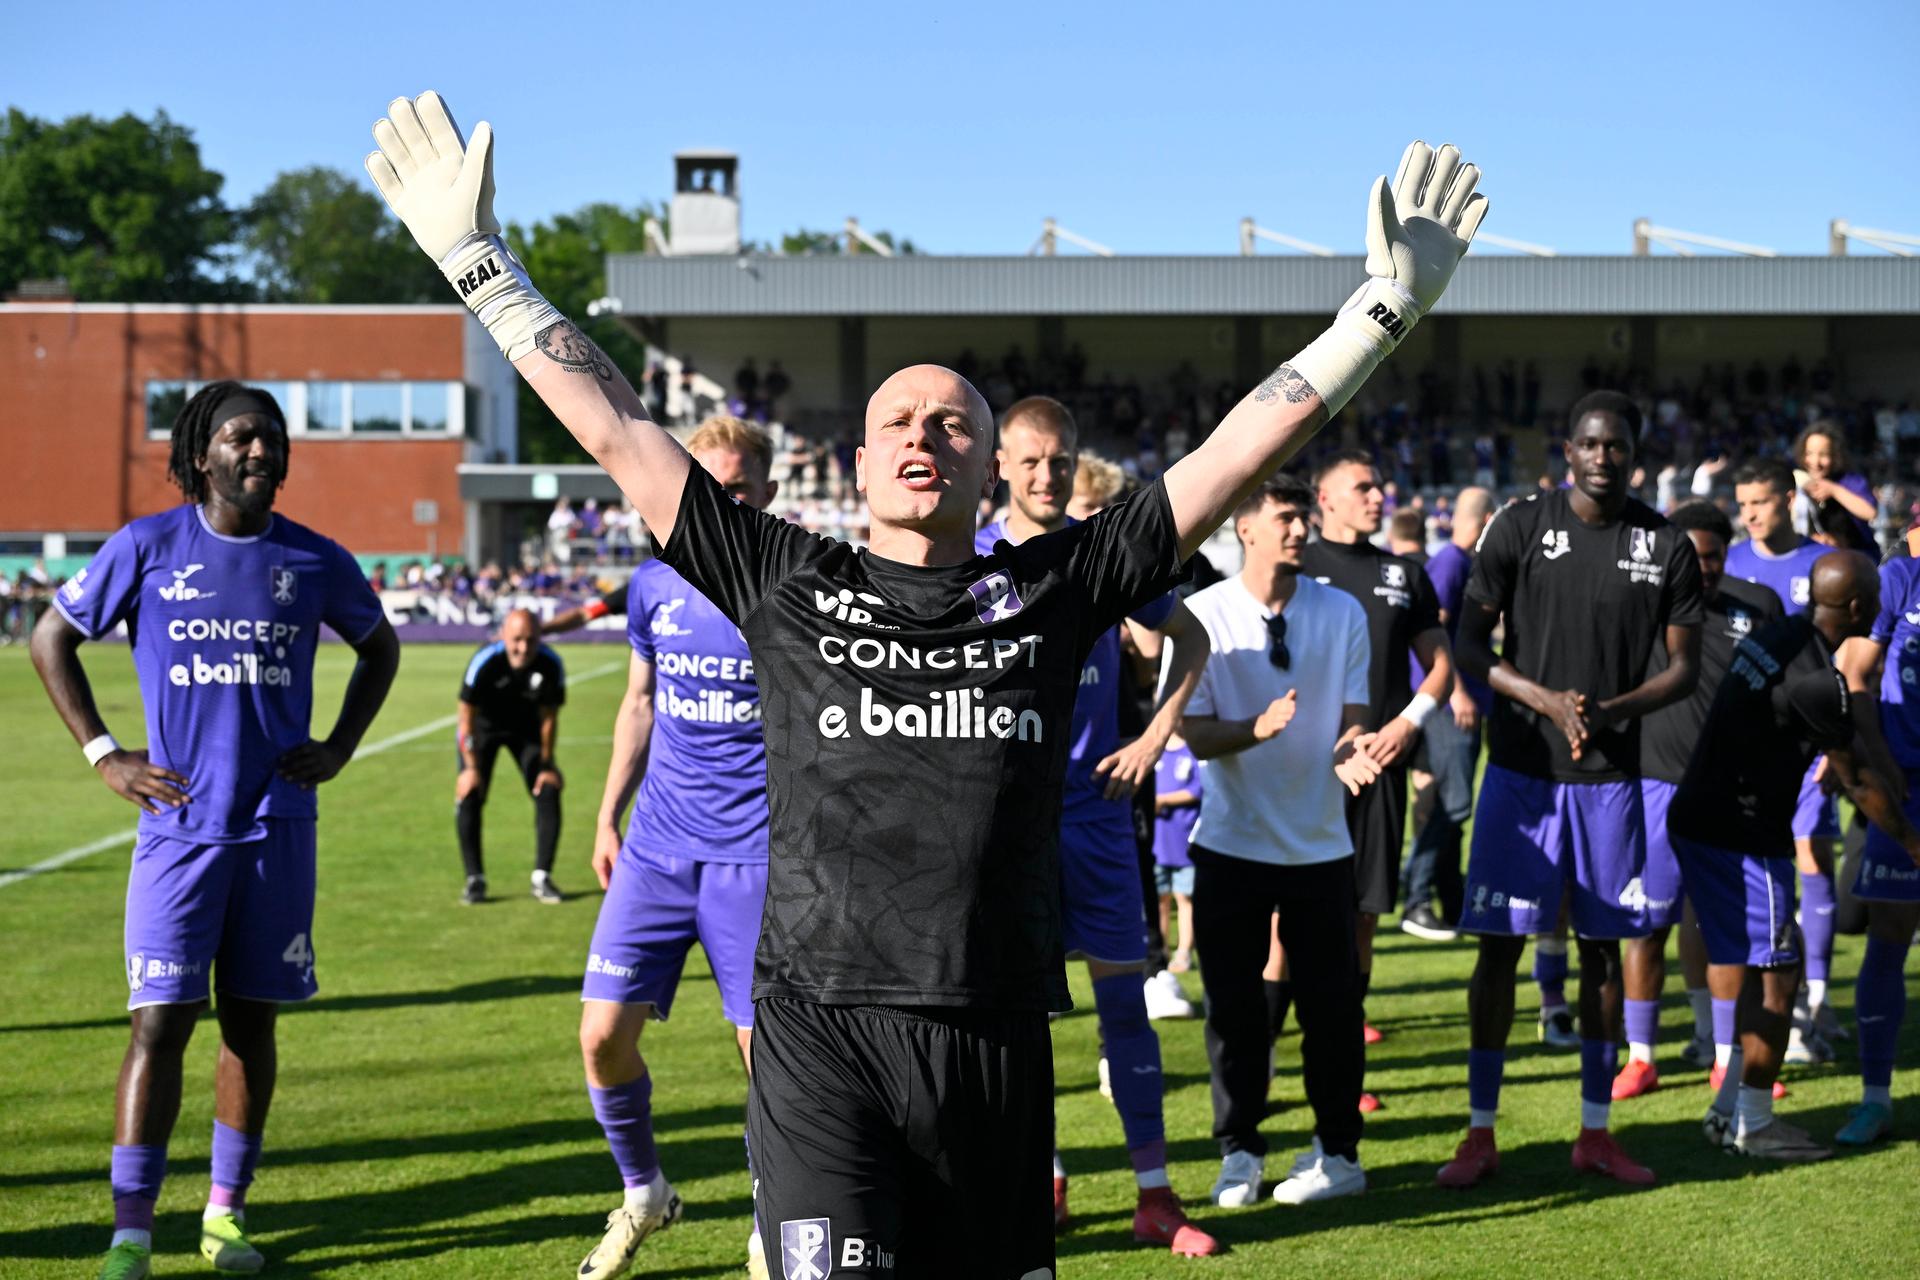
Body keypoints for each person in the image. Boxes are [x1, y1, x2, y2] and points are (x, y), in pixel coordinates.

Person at [368, 93, 1485, 1274]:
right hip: (817, 1029)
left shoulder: (1057, 587)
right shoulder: (780, 575)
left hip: (993, 1029)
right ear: (855, 460)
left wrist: (1383, 308)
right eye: (897, 417)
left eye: (953, 424)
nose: (923, 435)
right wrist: (477, 263)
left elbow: (1232, 456)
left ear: (987, 459)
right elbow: (619, 431)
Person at [31, 381, 399, 1280]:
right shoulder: (148, 546)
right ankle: (130, 1232)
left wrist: (341, 745)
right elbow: (51, 637)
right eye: (240, 438)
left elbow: (379, 645)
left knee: (250, 1025)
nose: (259, 451)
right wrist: (106, 755)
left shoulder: (314, 560)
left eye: (271, 438)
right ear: (203, 455)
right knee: (159, 1022)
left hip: (277, 827)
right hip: (177, 832)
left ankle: (225, 1216)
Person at [1440, 390, 1704, 1190]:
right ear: (1568, 450)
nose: (1602, 457)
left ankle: (1595, 1131)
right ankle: (1480, 1132)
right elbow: (1466, 642)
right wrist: (1545, 700)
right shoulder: (1521, 525)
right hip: (1519, 774)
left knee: (1599, 952)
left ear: (1635, 455)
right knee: (1497, 951)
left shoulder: (1666, 546)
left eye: (1616, 446)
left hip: (1609, 783)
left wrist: (1609, 712)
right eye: (1589, 443)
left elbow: (1685, 668)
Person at [973, 396, 1217, 1256]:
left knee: (1125, 1008)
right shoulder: (962, 564)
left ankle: (1156, 1194)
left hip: (1098, 819)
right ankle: (1043, 1184)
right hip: (1003, 836)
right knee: (1017, 1022)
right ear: (1000, 463)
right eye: (1032, 460)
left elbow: (1191, 639)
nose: (1048, 475)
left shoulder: (1101, 556)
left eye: (1062, 460)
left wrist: (1152, 736)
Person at [576, 418, 779, 1279]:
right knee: (600, 1041)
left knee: (770, 1063)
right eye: (712, 486)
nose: (725, 502)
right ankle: (645, 1192)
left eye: (739, 489)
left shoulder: (786, 587)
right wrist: (606, 817)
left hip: (755, 859)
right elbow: (639, 703)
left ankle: (780, 1216)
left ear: (765, 495)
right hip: (657, 852)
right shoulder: (652, 585)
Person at [1672, 551, 1915, 1159]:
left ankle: (1728, 1108)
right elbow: (1855, 778)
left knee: (1766, 966)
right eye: (1875, 599)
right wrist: (1912, 842)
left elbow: (1845, 737)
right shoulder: (1817, 681)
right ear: (1858, 607)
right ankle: (1755, 1125)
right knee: (1779, 980)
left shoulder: (1780, 634)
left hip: (1701, 818)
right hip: (1745, 836)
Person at [1182, 474, 1382, 1208]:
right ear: (1247, 528)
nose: (1300, 529)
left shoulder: (1342, 611)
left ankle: (1339, 1153)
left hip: (1322, 848)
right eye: (1287, 517)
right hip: (1230, 846)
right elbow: (1193, 732)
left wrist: (1349, 749)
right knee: (1234, 1016)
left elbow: (1355, 711)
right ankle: (1240, 1153)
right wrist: (1254, 730)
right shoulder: (1203, 615)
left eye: (1304, 517)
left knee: (1333, 1014)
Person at [1610, 502, 1784, 1101]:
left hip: (1729, 795)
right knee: (1648, 925)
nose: (1702, 567)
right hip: (1654, 786)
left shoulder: (1758, 606)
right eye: (1691, 555)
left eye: (1712, 555)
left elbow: (1779, 699)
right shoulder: (1640, 603)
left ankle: (1723, 1057)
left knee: (1723, 928)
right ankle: (1640, 1057)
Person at [1303, 453, 1453, 1075]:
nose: (1376, 496)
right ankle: (1276, 1038)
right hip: (1311, 770)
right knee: (1299, 914)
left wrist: (1403, 727)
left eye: (1378, 486)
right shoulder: (1299, 565)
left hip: (1381, 762)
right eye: (1361, 487)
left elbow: (1441, 664)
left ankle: (1345, 1030)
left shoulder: (1405, 573)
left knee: (1365, 910)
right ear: (1325, 499)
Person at [1728, 456, 1845, 1061]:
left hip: (1806, 745)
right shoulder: (1728, 564)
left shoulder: (1820, 564)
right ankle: (1783, 1009)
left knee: (1811, 862)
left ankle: (1817, 1001)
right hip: (1746, 751)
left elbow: (1846, 655)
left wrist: (1834, 738)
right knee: (1759, 883)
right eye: (1742, 502)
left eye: (1760, 502)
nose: (1749, 513)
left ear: (1789, 498)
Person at [1831, 544, 1920, 1145]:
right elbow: (1855, 672)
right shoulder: (1901, 574)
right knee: (1889, 938)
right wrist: (1880, 765)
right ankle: (1875, 1098)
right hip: (1909, 784)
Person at [1401, 486, 1494, 939]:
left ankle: (1452, 902)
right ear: (1487, 519)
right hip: (1448, 703)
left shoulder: (1464, 562)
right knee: (1453, 805)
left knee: (1451, 805)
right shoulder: (1452, 563)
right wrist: (1455, 690)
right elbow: (1430, 628)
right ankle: (1416, 899)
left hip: (1463, 700)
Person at [455, 609, 567, 904]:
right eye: (516, 639)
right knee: (469, 792)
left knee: (549, 787)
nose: (523, 648)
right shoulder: (484, 661)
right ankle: (474, 880)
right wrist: (469, 767)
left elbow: (548, 718)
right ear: (503, 635)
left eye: (530, 640)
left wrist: (546, 763)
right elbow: (465, 716)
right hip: (483, 731)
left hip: (526, 732)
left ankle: (542, 877)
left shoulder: (550, 663)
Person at [1153, 735, 1202, 973]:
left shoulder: (1193, 749)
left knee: (1184, 897)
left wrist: (1163, 800)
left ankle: (1184, 951)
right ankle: (1159, 949)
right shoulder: (1154, 748)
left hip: (1184, 838)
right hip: (1157, 839)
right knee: (1160, 898)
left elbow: (1199, 788)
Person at [1795, 422, 1877, 552]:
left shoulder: (1850, 481)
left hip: (1856, 557)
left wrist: (1834, 490)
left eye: (1823, 455)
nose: (1815, 462)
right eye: (1809, 453)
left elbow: (1870, 513)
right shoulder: (1798, 481)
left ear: (1836, 456)